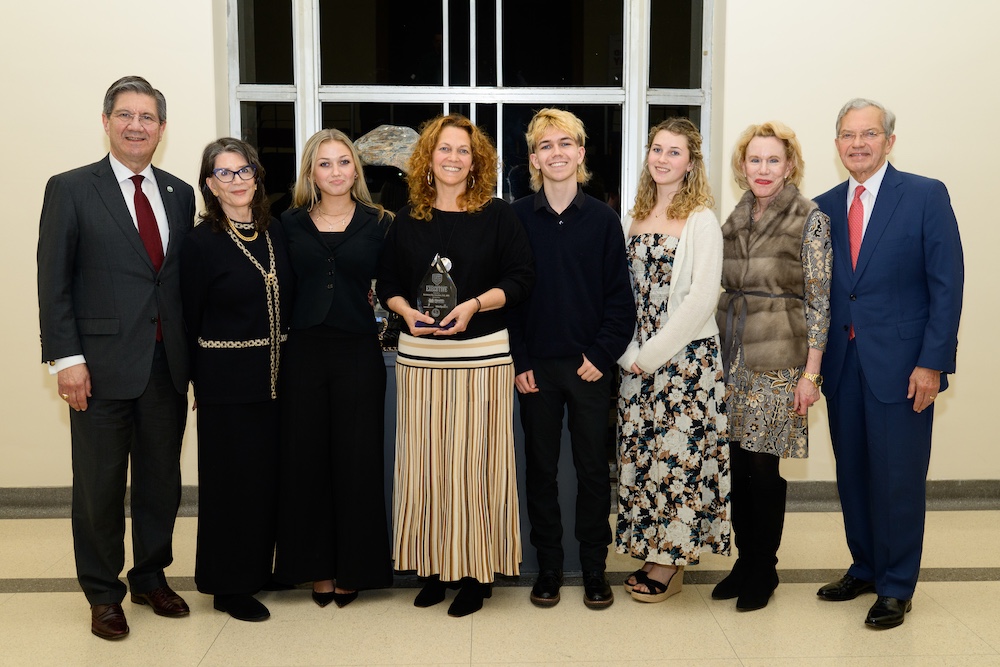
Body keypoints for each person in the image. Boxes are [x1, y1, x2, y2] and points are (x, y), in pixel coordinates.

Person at [37, 76, 194, 640]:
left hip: (165, 367)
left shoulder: (179, 193)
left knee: (160, 482)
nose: (136, 125)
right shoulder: (72, 188)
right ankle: (103, 593)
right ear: (106, 122)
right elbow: (52, 281)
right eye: (125, 114)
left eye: (148, 117)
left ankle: (151, 575)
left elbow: (173, 283)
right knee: (99, 487)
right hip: (98, 369)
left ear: (161, 128)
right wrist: (65, 359)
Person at [376, 114, 534, 617]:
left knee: (475, 467)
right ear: (429, 157)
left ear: (476, 160)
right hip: (420, 357)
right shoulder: (406, 219)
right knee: (425, 466)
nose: (452, 158)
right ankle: (431, 567)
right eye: (444, 149)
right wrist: (405, 312)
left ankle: (474, 573)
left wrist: (474, 305)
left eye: (462, 151)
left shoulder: (498, 216)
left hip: (482, 354)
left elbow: (521, 278)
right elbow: (387, 285)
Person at [814, 99, 963, 629]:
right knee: (852, 472)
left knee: (898, 477)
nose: (858, 143)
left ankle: (897, 584)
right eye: (848, 135)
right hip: (841, 364)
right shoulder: (822, 206)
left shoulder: (924, 195)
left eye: (870, 133)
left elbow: (946, 285)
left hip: (903, 367)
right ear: (836, 145)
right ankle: (866, 566)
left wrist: (932, 362)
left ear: (889, 142)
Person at [509, 108, 634, 610]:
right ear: (534, 158)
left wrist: (602, 355)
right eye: (545, 145)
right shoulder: (515, 217)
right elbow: (510, 295)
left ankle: (595, 569)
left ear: (581, 153)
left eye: (565, 143)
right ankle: (550, 569)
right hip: (535, 369)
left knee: (590, 471)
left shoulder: (603, 220)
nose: (556, 152)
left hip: (589, 367)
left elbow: (620, 302)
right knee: (539, 470)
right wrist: (520, 361)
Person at [713, 121, 831, 611]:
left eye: (773, 160)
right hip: (733, 357)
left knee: (763, 469)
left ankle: (765, 566)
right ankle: (745, 560)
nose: (762, 169)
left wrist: (811, 375)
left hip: (780, 360)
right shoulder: (737, 215)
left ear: (790, 166)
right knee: (738, 465)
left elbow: (820, 302)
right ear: (743, 166)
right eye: (754, 160)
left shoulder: (809, 218)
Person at [273, 129, 394, 607]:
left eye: (344, 162)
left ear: (356, 171)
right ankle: (315, 569)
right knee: (307, 462)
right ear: (311, 172)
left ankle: (355, 568)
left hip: (358, 353)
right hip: (303, 353)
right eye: (325, 163)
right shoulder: (288, 223)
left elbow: (397, 284)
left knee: (358, 461)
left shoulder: (381, 222)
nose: (336, 171)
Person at [615, 118, 730, 604]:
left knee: (677, 463)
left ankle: (669, 561)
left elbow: (702, 297)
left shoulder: (701, 219)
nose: (662, 158)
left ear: (691, 162)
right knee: (643, 459)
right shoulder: (633, 215)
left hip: (684, 364)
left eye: (674, 152)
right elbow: (616, 292)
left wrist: (652, 355)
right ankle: (651, 550)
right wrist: (628, 355)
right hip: (635, 363)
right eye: (656, 149)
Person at [179, 138, 292, 622]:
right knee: (232, 486)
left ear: (257, 177)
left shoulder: (275, 232)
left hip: (278, 380)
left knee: (268, 480)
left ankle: (258, 569)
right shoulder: (200, 243)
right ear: (210, 184)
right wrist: (197, 384)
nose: (237, 181)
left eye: (244, 171)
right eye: (224, 173)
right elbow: (188, 317)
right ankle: (228, 584)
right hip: (226, 383)